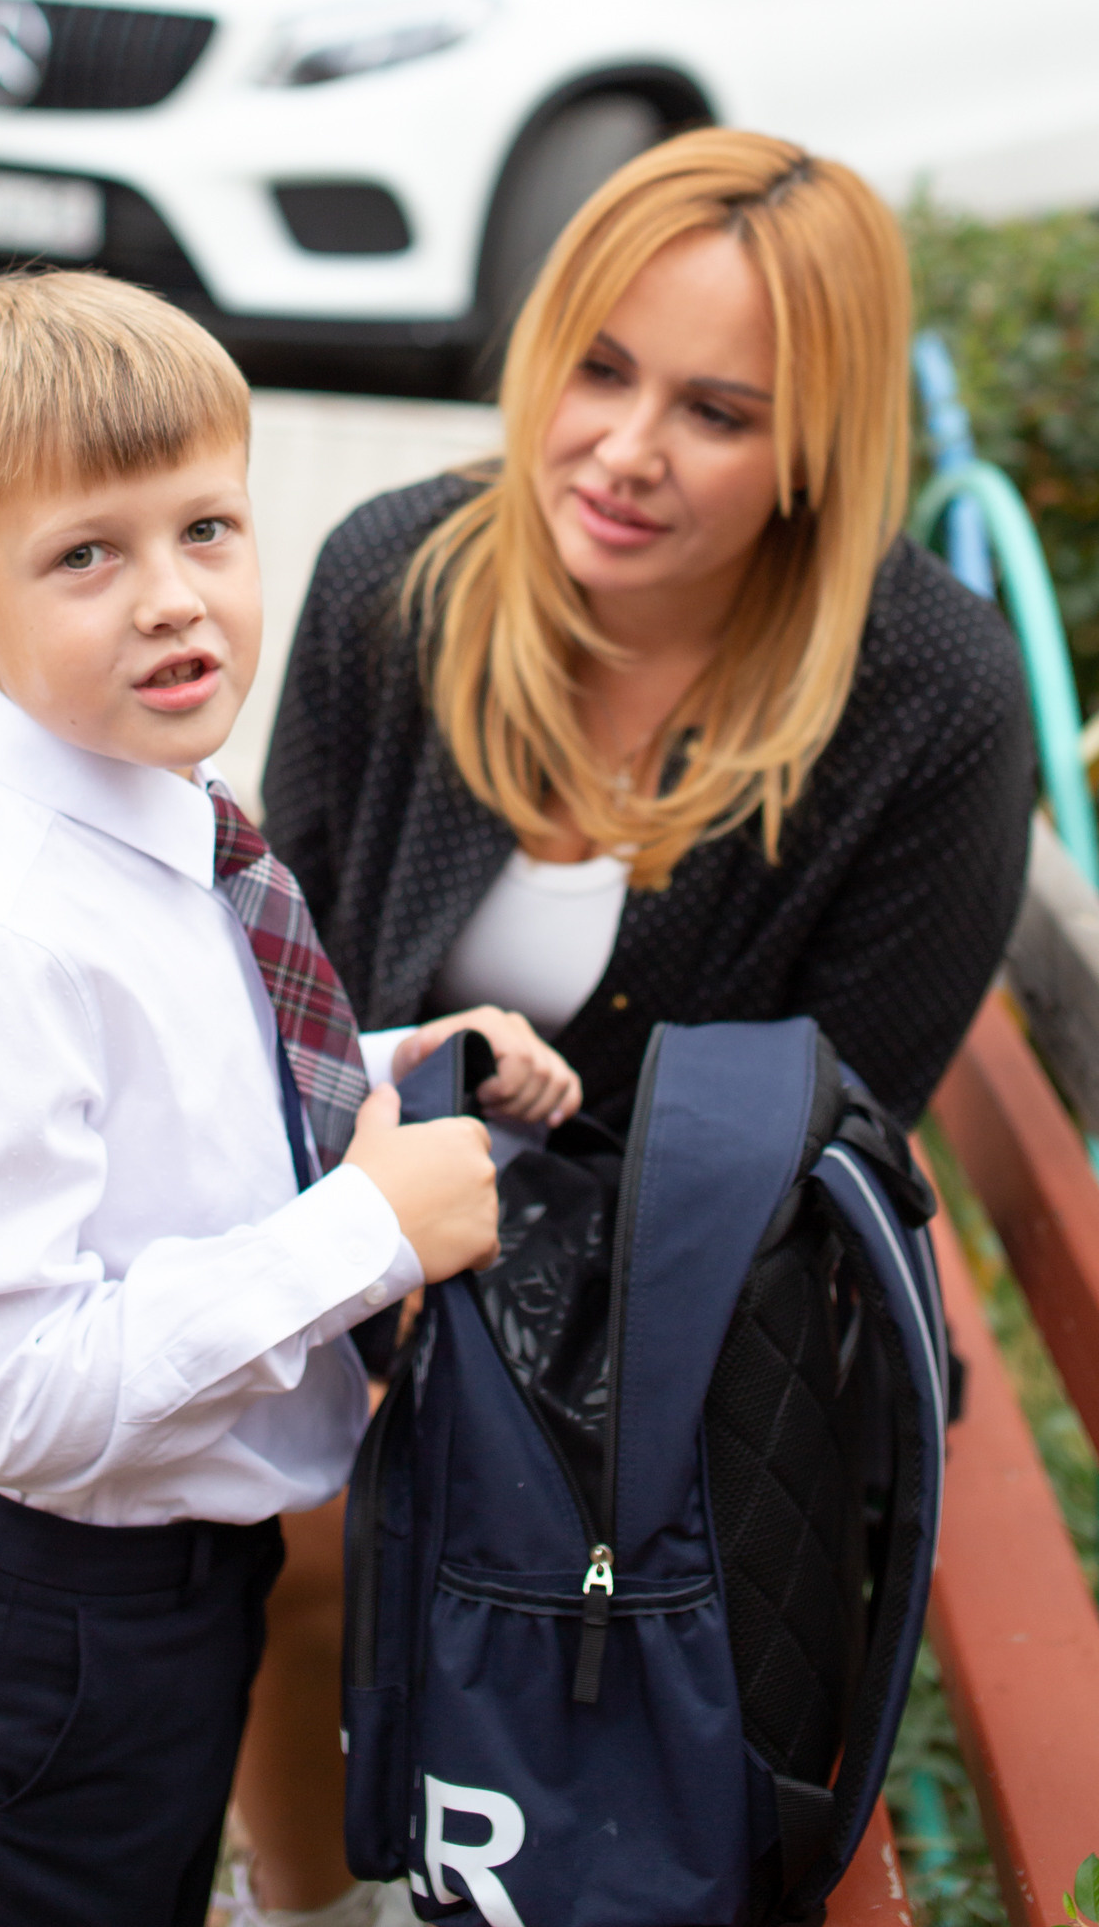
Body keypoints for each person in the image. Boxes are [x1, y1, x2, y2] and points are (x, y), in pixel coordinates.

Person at [229, 127, 1035, 1922]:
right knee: (268, 1519)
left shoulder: (926, 698)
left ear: (816, 448)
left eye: (717, 412)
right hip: (388, 1234)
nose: (624, 450)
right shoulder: (400, 584)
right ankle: (310, 1902)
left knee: (410, 1542)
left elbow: (838, 1143)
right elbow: (290, 1002)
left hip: (704, 1312)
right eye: (598, 367)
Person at [0, 271, 506, 1927]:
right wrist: (360, 1237)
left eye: (207, 529)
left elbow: (184, 1107)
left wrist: (384, 1074)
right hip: (39, 1638)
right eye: (86, 556)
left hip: (179, 1590)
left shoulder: (162, 806)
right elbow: (6, 1385)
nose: (172, 601)